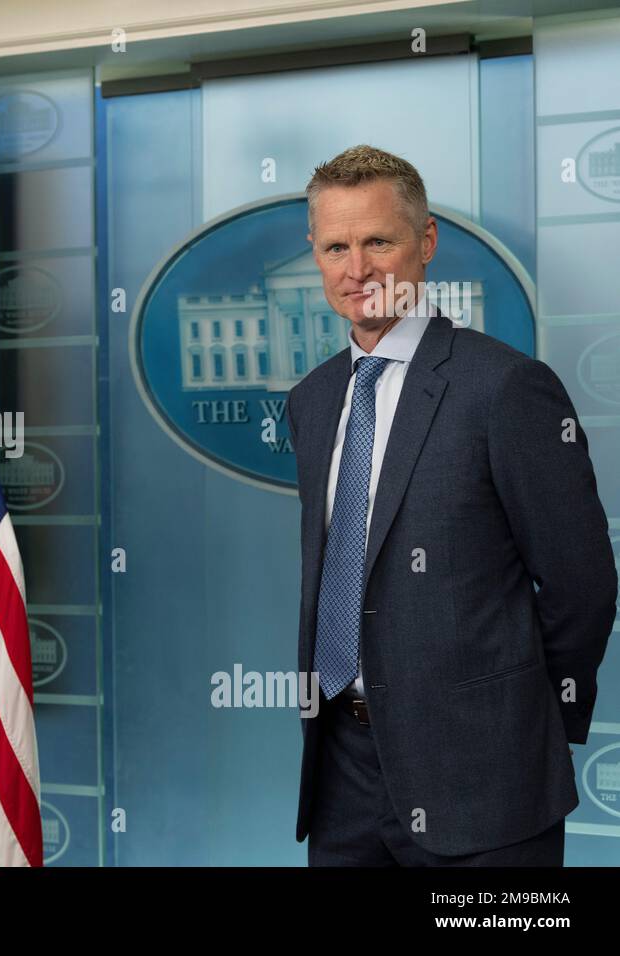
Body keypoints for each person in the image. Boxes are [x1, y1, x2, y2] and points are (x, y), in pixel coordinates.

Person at [287, 144, 615, 865]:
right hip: (341, 770)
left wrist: (524, 723)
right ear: (314, 251)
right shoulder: (311, 402)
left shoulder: (506, 389)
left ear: (426, 242)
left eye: (379, 241)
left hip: (484, 775)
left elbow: (581, 585)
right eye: (337, 245)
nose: (358, 269)